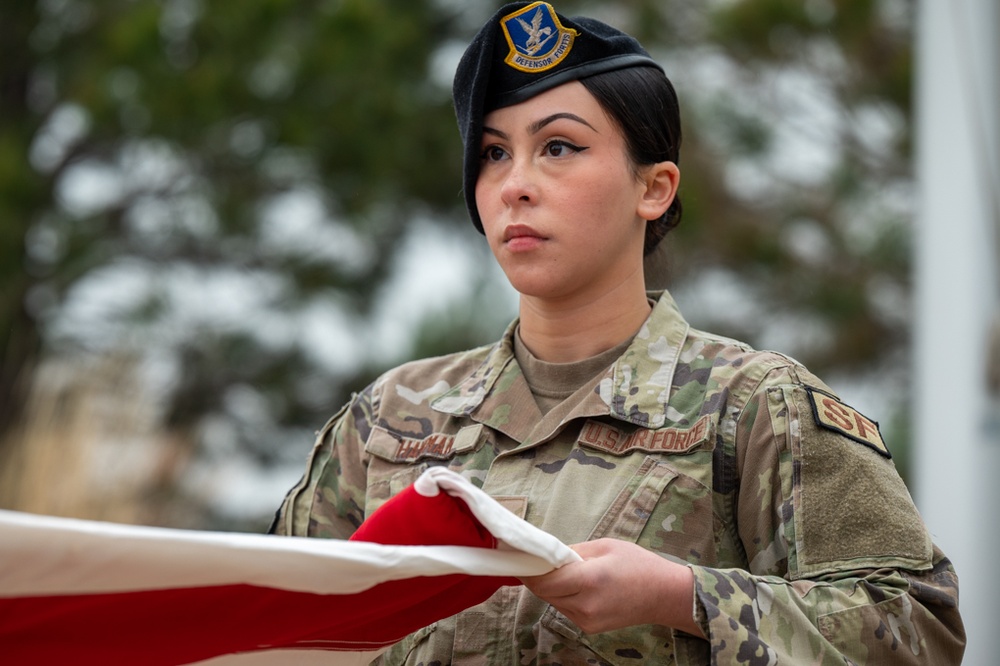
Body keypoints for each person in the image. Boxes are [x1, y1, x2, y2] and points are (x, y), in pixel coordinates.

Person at [271, 2, 966, 663]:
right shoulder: (389, 419)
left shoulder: (755, 409)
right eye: (491, 154)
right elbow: (260, 627)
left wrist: (684, 597)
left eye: (559, 147)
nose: (515, 184)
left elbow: (919, 629)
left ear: (654, 187)